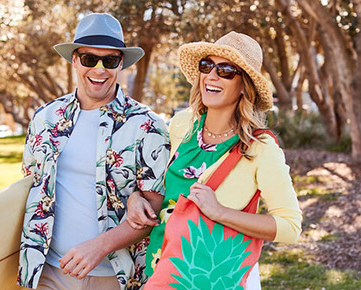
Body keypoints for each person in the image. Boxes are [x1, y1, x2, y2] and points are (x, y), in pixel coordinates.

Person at [126, 31, 303, 289]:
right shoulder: (181, 126)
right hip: (159, 268)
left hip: (209, 277)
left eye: (226, 70)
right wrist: (136, 198)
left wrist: (219, 212)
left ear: (245, 86)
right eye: (207, 66)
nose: (211, 75)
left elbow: (290, 227)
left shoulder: (260, 148)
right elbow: (159, 192)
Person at [17, 13, 170, 290]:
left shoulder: (147, 125)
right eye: (89, 59)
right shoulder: (45, 118)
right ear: (74, 60)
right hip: (47, 271)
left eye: (109, 61)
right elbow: (27, 190)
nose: (99, 70)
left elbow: (152, 213)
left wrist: (98, 247)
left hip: (113, 277)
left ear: (120, 63)